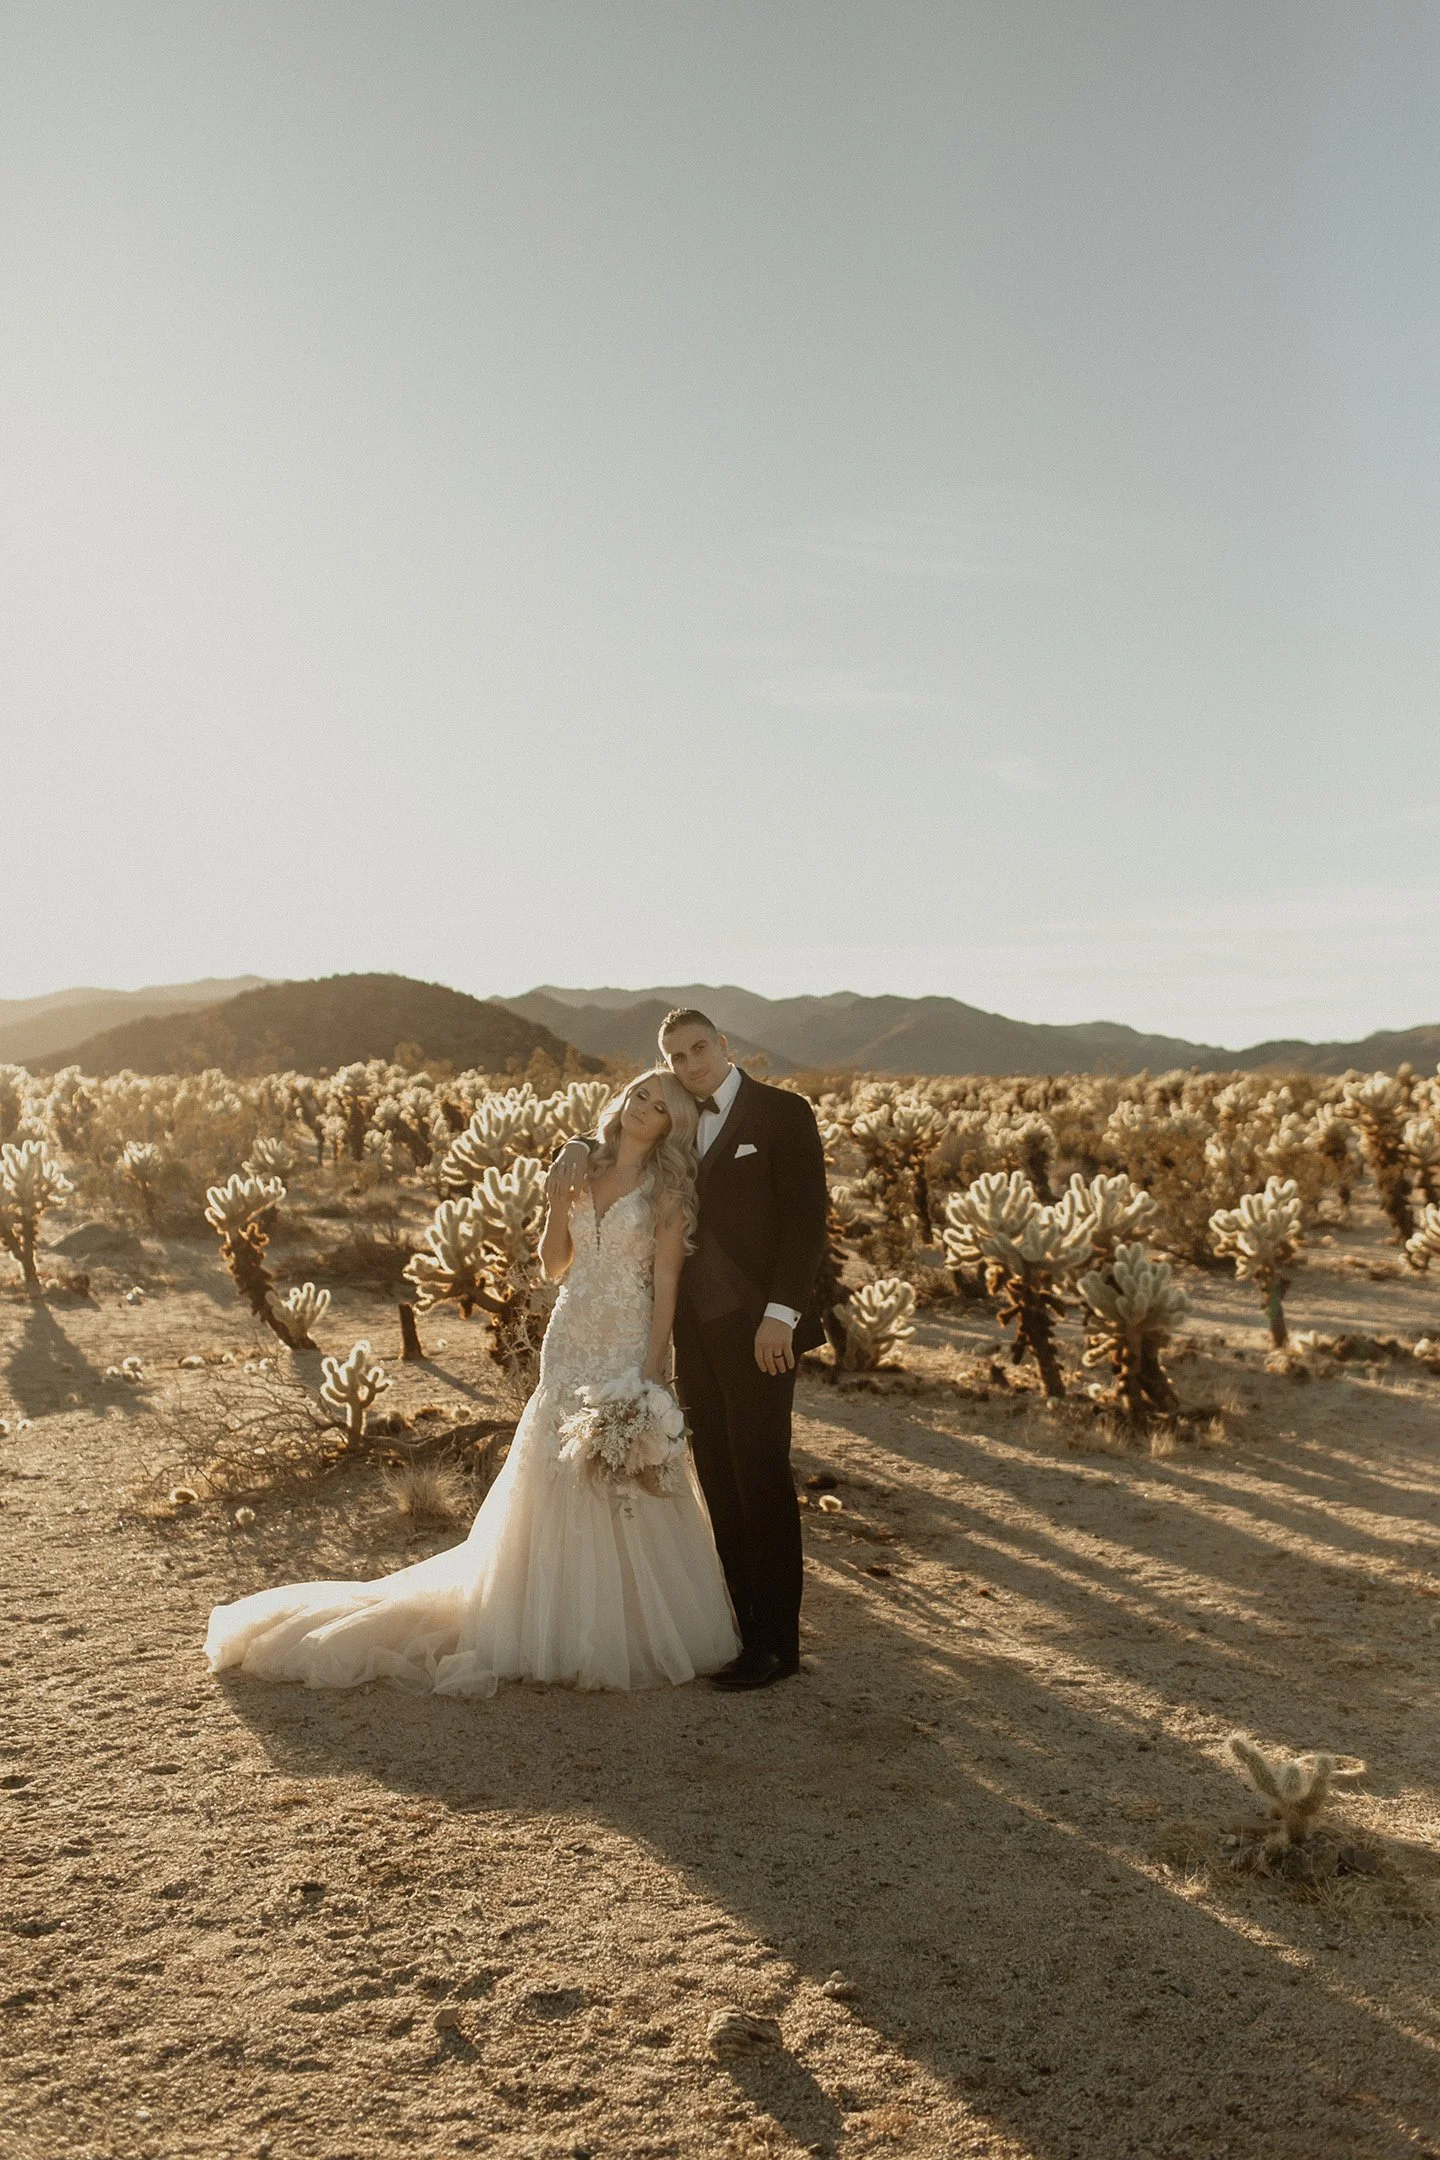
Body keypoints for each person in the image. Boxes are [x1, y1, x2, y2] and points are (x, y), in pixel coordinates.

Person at [203, 1071, 740, 1695]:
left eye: (660, 1106)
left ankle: (623, 1627)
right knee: (554, 1465)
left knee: (620, 1469)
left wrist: (653, 1368)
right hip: (569, 1337)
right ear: (623, 1101)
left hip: (625, 1338)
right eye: (639, 1096)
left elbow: (667, 1284)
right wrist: (556, 1203)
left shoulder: (666, 1191)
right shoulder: (581, 1168)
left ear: (673, 1124)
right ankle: (542, 1618)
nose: (644, 1109)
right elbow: (554, 1264)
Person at [548, 1008, 829, 1690]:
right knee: (720, 1478)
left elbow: (807, 1221)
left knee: (760, 1472)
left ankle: (778, 1645)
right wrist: (575, 1142)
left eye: (700, 1048)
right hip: (692, 1331)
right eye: (677, 1055)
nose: (691, 1063)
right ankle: (741, 1629)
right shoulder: (675, 1113)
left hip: (760, 1329)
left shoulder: (782, 1114)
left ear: (724, 1045)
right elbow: (628, 1134)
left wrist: (782, 1315)